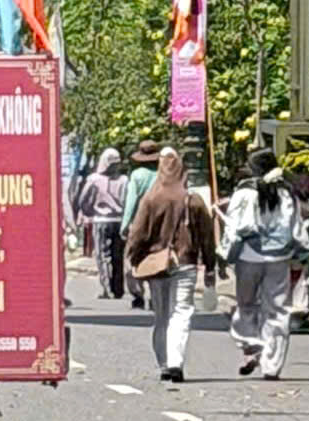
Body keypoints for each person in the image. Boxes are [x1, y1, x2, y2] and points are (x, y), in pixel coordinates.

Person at [124, 148, 216, 383]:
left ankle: (164, 363)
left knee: (162, 316)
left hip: (156, 265)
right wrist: (211, 266)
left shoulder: (151, 199)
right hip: (185, 263)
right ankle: (176, 362)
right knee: (182, 312)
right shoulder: (192, 200)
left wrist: (131, 259)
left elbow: (137, 233)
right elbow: (207, 236)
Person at [223, 149, 309, 379]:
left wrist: (225, 254)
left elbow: (234, 227)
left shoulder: (243, 194)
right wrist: (302, 253)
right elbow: (296, 227)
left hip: (249, 256)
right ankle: (272, 365)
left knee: (245, 304)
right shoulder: (287, 194)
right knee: (278, 310)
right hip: (279, 258)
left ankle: (251, 342)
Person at [76, 148, 128, 300]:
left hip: (101, 220)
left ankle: (106, 288)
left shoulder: (94, 180)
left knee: (102, 255)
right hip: (118, 220)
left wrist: (89, 212)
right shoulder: (124, 180)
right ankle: (118, 288)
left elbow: (83, 200)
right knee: (118, 256)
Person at [119, 141, 163, 309]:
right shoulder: (162, 174)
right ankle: (155, 294)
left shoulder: (137, 175)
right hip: (159, 223)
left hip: (139, 223)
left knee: (132, 259)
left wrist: (125, 225)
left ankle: (138, 294)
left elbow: (130, 202)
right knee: (155, 257)